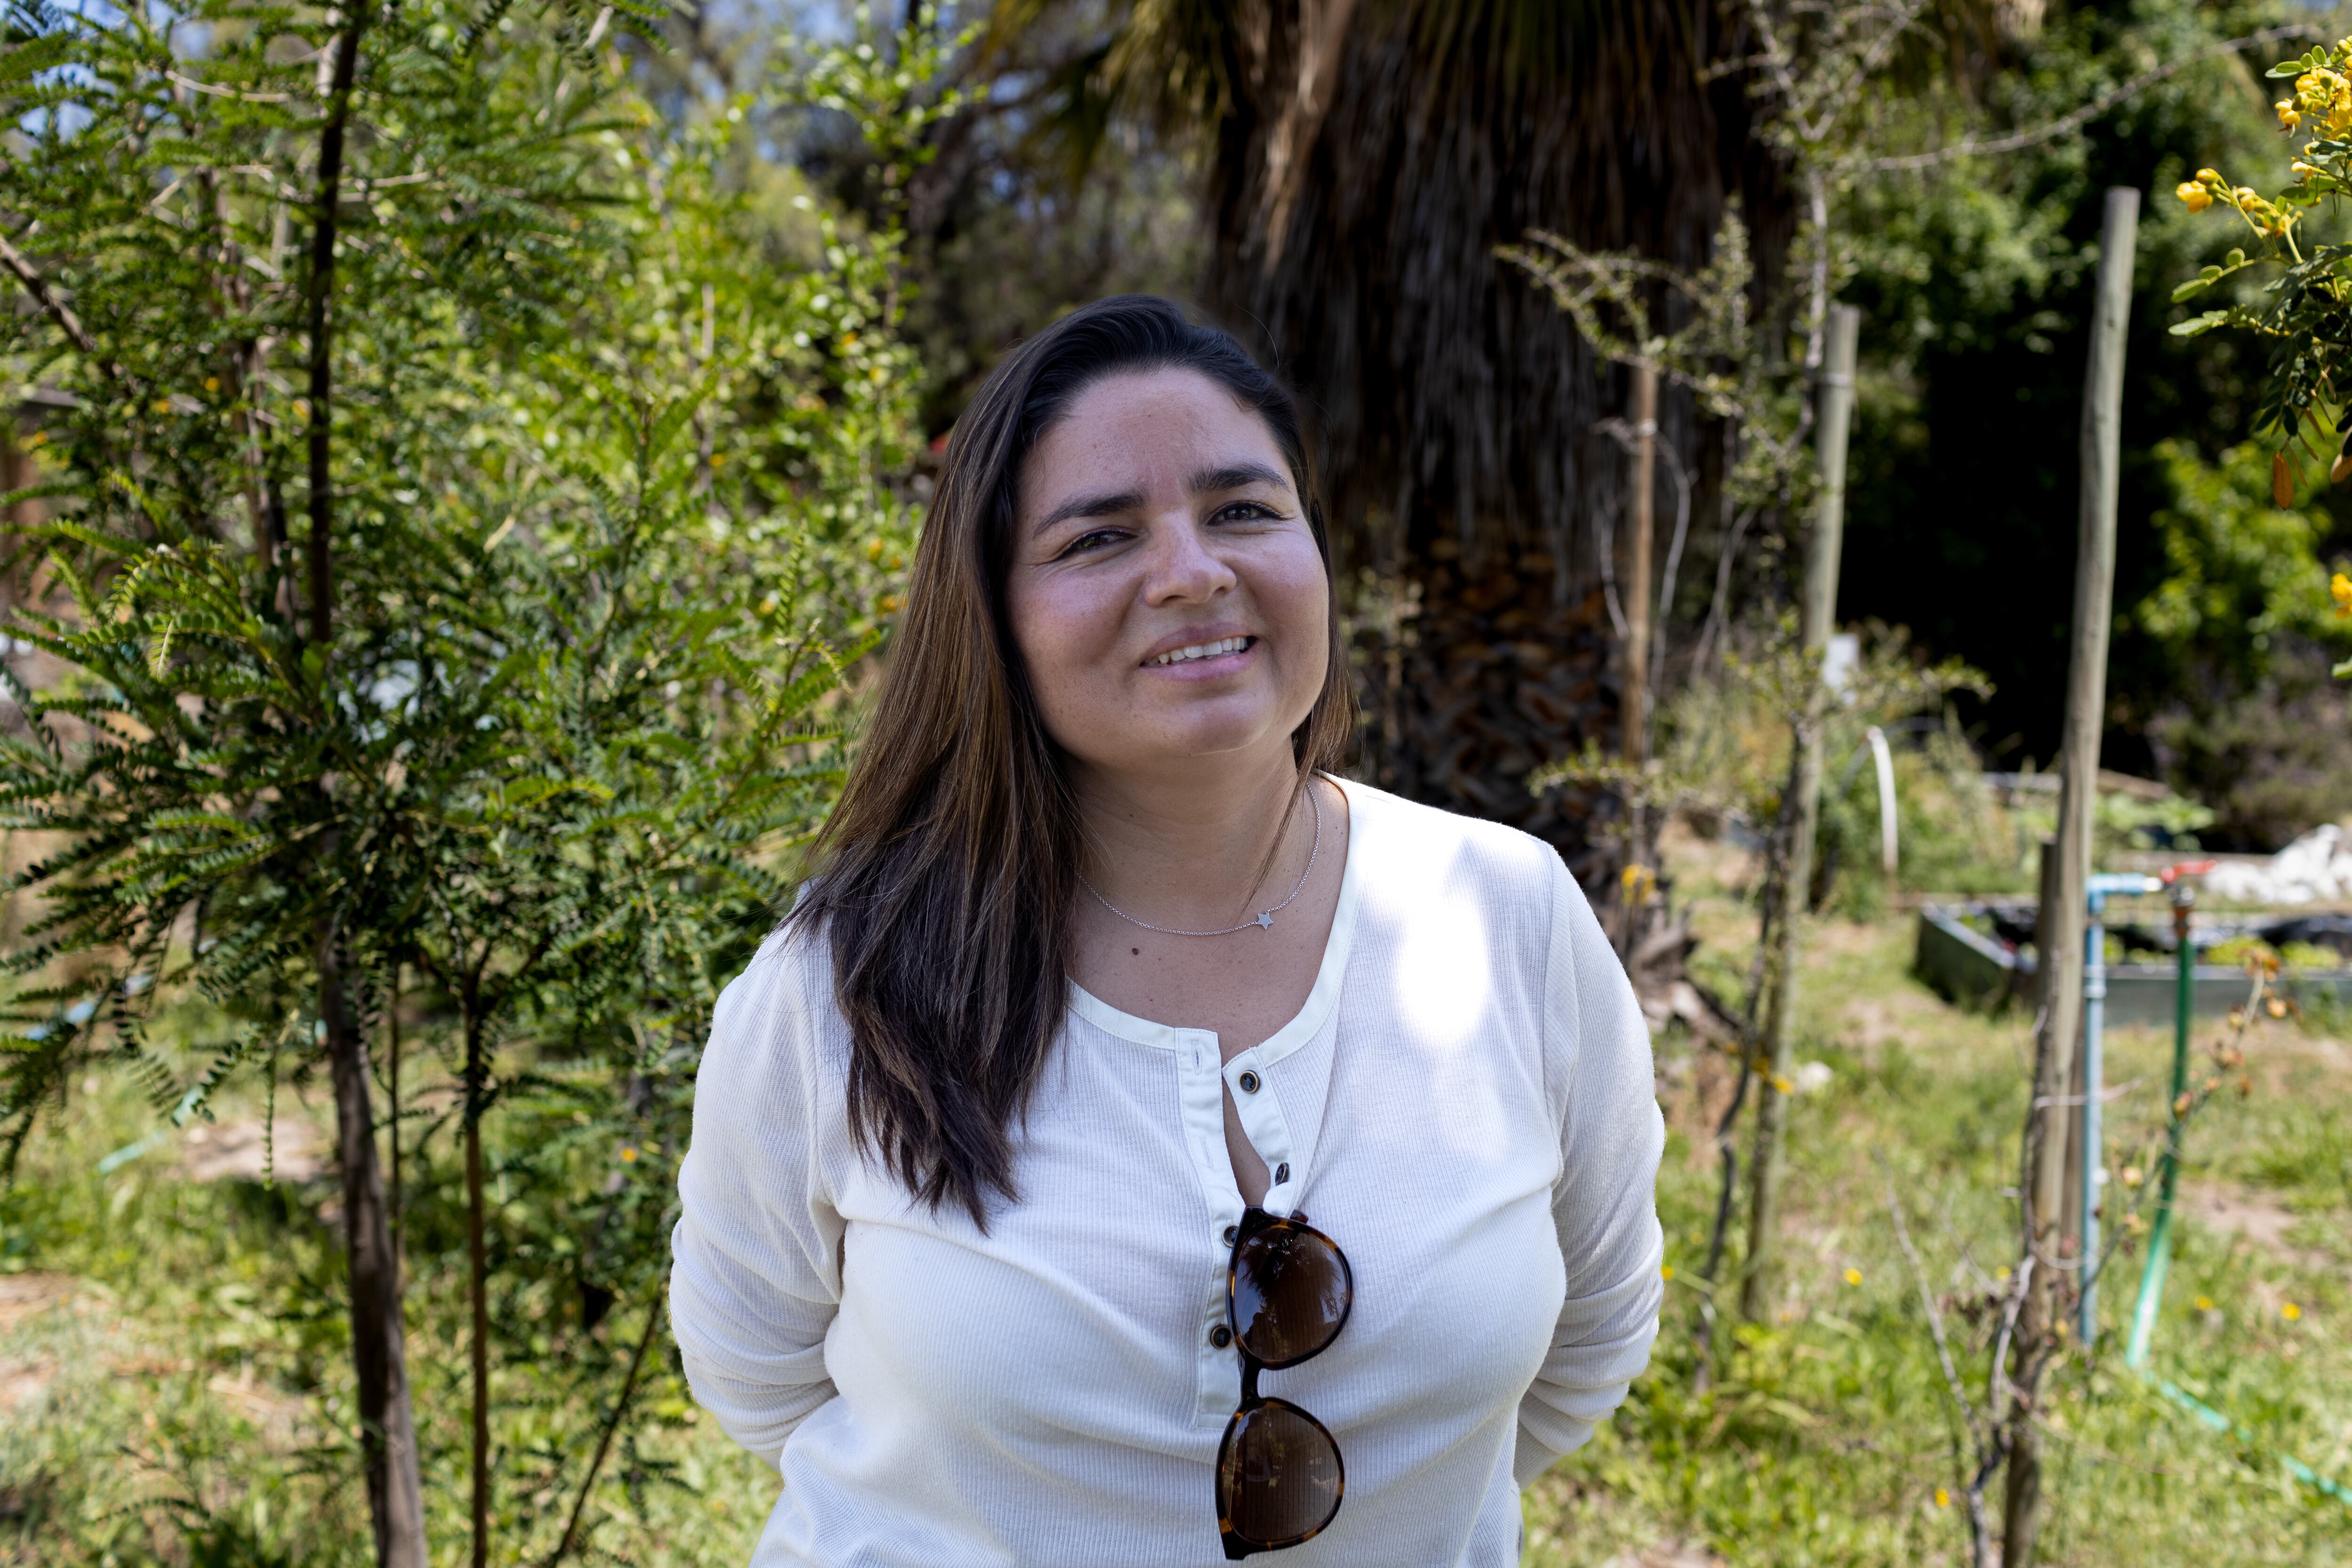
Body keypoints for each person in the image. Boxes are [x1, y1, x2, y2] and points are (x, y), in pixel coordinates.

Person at [669, 294, 1664, 1567]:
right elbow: (757, 1370)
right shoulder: (843, 978)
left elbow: (1590, 1336)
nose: (1195, 571)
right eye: (1099, 537)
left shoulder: (1508, 915)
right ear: (995, 615)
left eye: (1246, 510)